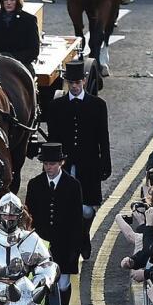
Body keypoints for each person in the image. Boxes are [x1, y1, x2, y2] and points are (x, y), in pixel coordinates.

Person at [24, 143, 87, 305]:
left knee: (62, 284)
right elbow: (29, 217)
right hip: (41, 245)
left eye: (52, 164)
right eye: (46, 164)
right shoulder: (34, 184)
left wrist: (75, 249)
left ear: (61, 162)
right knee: (42, 283)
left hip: (65, 244)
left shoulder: (73, 186)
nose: (48, 167)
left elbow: (77, 220)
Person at [43, 60, 112, 218]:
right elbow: (52, 139)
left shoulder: (98, 105)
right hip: (65, 165)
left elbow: (103, 137)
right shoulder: (55, 106)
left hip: (88, 165)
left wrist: (105, 163)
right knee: (62, 207)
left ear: (84, 81)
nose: (74, 86)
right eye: (71, 83)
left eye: (77, 82)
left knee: (87, 211)